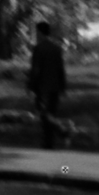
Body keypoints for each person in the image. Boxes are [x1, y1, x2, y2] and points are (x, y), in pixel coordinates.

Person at [27, 19, 68, 149]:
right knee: (51, 113)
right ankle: (49, 142)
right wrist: (63, 87)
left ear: (39, 32)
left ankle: (61, 129)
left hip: (43, 87)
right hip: (55, 86)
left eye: (36, 32)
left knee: (44, 114)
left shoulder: (38, 49)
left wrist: (30, 86)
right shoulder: (57, 49)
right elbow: (61, 69)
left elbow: (36, 69)